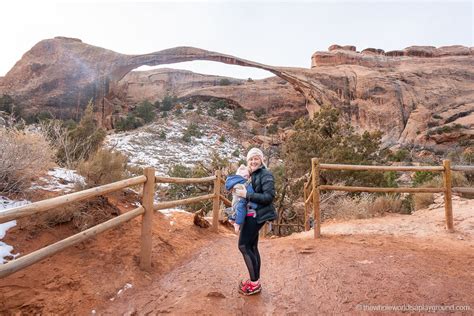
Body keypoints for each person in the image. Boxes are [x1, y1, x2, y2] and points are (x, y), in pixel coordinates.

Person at [234, 147, 277, 295]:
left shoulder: (265, 174)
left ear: (261, 160)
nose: (253, 161)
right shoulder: (253, 174)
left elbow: (269, 197)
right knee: (252, 247)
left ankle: (254, 284)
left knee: (243, 246)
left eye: (256, 158)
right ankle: (255, 281)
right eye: (250, 159)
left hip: (257, 216)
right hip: (253, 215)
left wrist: (247, 195)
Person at [225, 164, 258, 234]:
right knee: (240, 209)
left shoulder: (232, 180)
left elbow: (228, 187)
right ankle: (237, 224)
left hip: (234, 199)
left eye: (248, 176)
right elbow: (250, 192)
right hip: (241, 200)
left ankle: (232, 219)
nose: (247, 178)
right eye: (246, 176)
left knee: (234, 208)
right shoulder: (244, 182)